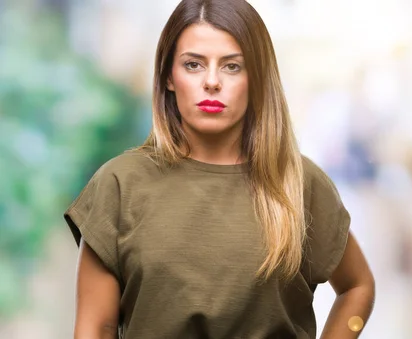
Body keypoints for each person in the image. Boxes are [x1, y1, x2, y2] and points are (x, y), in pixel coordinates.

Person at [63, 1, 375, 338]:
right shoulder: (119, 185)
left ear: (255, 78)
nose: (212, 82)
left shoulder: (300, 183)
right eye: (193, 64)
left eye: (232, 67)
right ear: (169, 76)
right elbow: (97, 327)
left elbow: (357, 287)